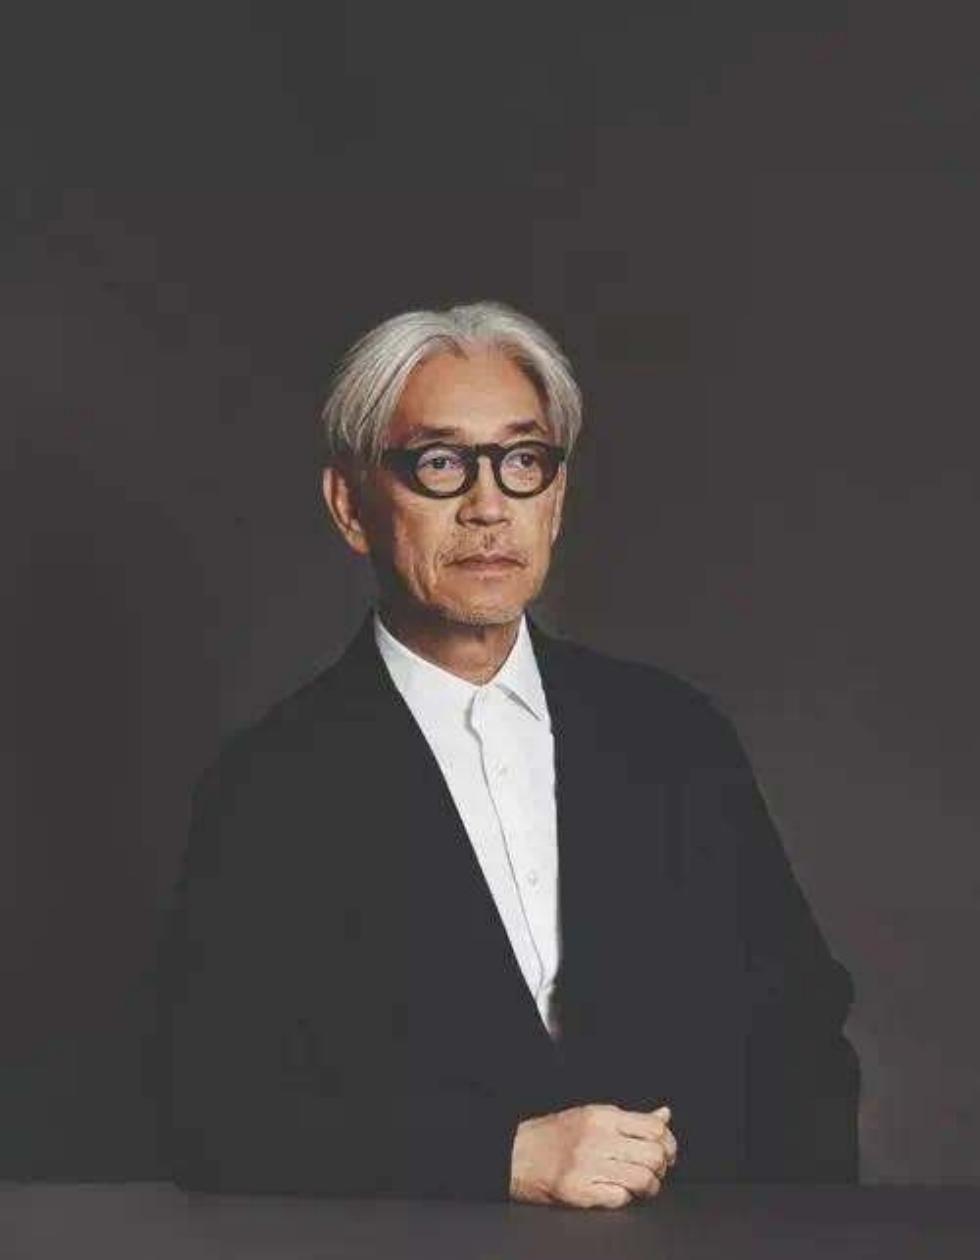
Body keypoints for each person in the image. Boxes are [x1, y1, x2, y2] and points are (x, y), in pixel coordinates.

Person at [160, 302, 859, 1208]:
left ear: (556, 500)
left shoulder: (676, 735)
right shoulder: (266, 786)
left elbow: (801, 1043)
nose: (489, 507)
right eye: (440, 463)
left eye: (523, 462)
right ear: (350, 506)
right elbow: (219, 1113)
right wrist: (497, 1156)